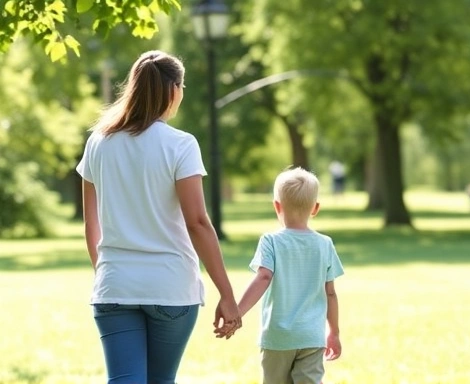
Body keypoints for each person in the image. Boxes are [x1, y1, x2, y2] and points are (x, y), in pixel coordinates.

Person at [76, 50, 241, 384]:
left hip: (115, 285)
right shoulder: (181, 145)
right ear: (173, 90)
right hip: (171, 287)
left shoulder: (98, 142)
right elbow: (197, 222)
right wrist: (226, 293)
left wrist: (108, 272)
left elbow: (90, 222)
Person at [221, 167, 344, 384]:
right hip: (312, 337)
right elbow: (331, 294)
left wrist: (237, 312)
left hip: (277, 338)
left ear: (276, 206)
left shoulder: (270, 241)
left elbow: (263, 278)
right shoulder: (325, 244)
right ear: (315, 208)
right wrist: (333, 332)